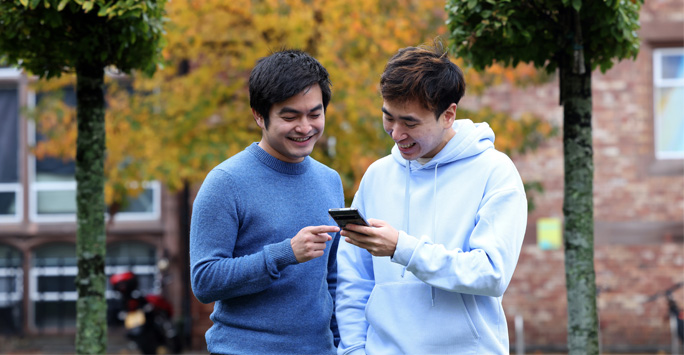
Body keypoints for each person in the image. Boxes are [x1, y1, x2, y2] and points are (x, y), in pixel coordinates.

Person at [335, 42, 527, 354]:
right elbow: (353, 278)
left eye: (410, 122)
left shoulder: (495, 172)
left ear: (448, 114)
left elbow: (491, 273)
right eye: (389, 118)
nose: (396, 133)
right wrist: (354, 349)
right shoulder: (377, 176)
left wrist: (402, 248)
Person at [190, 49, 343, 355]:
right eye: (290, 116)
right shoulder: (225, 182)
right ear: (259, 115)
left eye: (314, 114)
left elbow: (332, 279)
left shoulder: (330, 180)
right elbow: (204, 280)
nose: (305, 127)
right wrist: (284, 254)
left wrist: (342, 344)